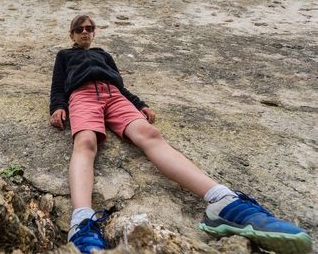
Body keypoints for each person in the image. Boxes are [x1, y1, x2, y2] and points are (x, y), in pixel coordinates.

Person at [49, 15, 312, 254]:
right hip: (81, 95)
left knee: (150, 134)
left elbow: (120, 84)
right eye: (79, 29)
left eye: (90, 28)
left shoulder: (103, 55)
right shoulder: (64, 55)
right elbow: (58, 84)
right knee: (85, 141)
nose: (85, 32)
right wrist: (58, 107)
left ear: (94, 33)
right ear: (72, 35)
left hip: (113, 95)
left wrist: (139, 104)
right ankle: (82, 221)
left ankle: (223, 201)